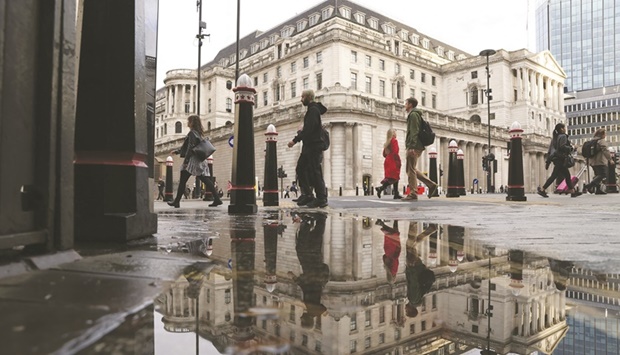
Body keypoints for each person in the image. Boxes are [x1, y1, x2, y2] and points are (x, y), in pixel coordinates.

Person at [168, 115, 223, 208]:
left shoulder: (192, 133)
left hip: (193, 161)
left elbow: (190, 148)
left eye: (188, 121)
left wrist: (186, 162)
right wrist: (177, 151)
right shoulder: (199, 133)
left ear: (192, 122)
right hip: (199, 160)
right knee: (205, 179)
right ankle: (217, 199)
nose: (187, 123)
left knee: (183, 181)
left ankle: (176, 202)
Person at [288, 212, 329, 329]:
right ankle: (307, 222)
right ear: (306, 320)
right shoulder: (311, 307)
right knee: (302, 246)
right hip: (310, 269)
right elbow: (305, 287)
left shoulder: (313, 308)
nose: (301, 317)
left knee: (314, 245)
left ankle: (320, 220)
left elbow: (322, 308)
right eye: (302, 319)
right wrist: (294, 277)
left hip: (316, 269)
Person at [288, 90, 328, 208]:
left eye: (302, 96)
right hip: (309, 147)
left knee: (315, 172)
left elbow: (309, 130)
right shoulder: (312, 110)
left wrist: (295, 139)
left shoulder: (313, 110)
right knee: (301, 169)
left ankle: (321, 198)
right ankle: (308, 194)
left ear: (308, 98)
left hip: (313, 147)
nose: (301, 99)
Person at [403, 97, 438, 201]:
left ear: (410, 104)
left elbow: (414, 131)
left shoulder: (413, 115)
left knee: (411, 169)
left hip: (415, 146)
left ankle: (413, 193)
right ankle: (431, 185)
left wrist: (412, 146)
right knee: (411, 169)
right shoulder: (416, 114)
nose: (405, 105)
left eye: (406, 103)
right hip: (417, 145)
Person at [537, 123, 582, 198]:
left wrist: (548, 161)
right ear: (561, 128)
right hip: (561, 159)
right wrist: (572, 148)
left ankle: (572, 191)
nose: (565, 129)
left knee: (565, 175)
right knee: (555, 176)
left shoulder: (555, 137)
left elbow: (550, 150)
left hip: (557, 159)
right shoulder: (563, 136)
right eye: (564, 127)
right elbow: (562, 147)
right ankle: (543, 189)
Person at [405, 222, 437, 318]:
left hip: (417, 267)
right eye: (406, 311)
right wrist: (411, 267)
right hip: (414, 266)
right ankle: (413, 223)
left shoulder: (417, 300)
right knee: (410, 243)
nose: (405, 309)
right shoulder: (413, 299)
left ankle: (430, 230)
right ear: (410, 310)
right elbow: (414, 283)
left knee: (411, 245)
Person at [583, 128, 614, 194]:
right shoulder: (601, 141)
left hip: (592, 162)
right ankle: (589, 186)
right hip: (600, 161)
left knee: (597, 175)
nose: (605, 135)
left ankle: (598, 190)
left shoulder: (592, 140)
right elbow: (605, 151)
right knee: (603, 174)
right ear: (602, 134)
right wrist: (610, 159)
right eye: (605, 134)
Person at [375, 128, 403, 199]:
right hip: (393, 160)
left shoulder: (387, 143)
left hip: (388, 160)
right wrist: (398, 162)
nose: (396, 134)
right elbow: (395, 151)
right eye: (395, 132)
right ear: (393, 134)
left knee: (393, 177)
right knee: (394, 177)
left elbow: (384, 154)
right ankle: (381, 188)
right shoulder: (394, 141)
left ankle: (396, 193)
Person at [376, 219, 401, 284]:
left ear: (393, 277)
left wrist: (395, 254)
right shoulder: (387, 269)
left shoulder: (393, 271)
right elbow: (384, 256)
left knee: (394, 234)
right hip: (388, 250)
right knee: (393, 234)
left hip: (393, 251)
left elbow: (395, 261)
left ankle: (382, 224)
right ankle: (395, 220)